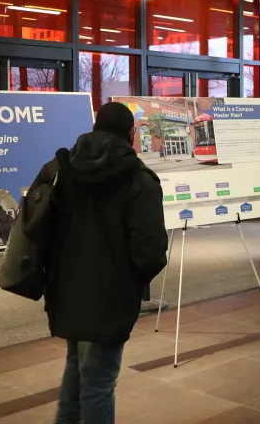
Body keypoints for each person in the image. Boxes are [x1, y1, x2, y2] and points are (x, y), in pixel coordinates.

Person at [43, 102, 168, 424]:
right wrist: (130, 280)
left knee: (76, 369)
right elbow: (151, 250)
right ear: (130, 134)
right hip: (111, 296)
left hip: (67, 290)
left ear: (96, 128)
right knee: (98, 383)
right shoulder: (140, 180)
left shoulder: (62, 169)